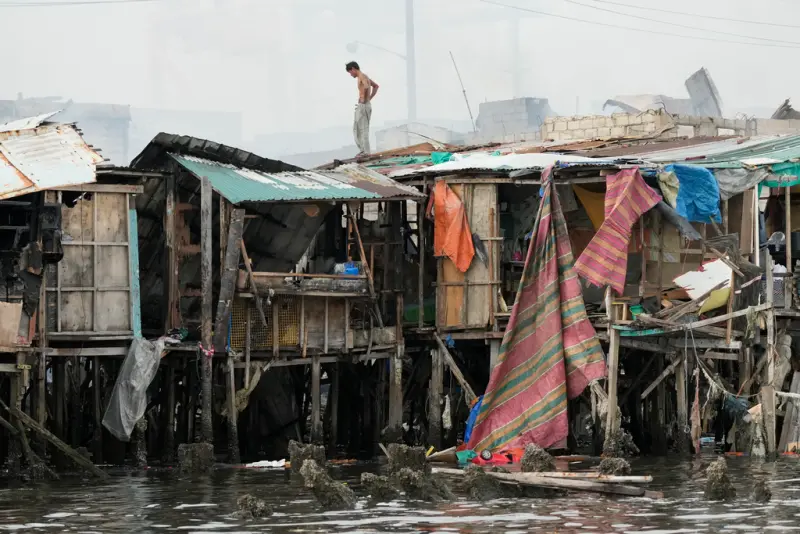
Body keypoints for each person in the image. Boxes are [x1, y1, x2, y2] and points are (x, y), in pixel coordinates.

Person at [346, 61, 379, 157]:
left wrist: (364, 99)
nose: (350, 74)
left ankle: (366, 152)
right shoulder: (364, 76)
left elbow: (367, 86)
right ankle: (363, 150)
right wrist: (369, 98)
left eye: (350, 72)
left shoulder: (362, 76)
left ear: (353, 69)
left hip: (363, 106)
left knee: (363, 129)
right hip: (364, 105)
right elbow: (376, 86)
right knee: (357, 129)